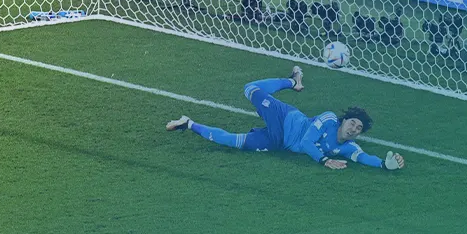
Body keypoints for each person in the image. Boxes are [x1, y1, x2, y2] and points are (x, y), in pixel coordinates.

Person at [166, 67, 404, 171]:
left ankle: (188, 123)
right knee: (250, 88)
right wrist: (323, 161)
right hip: (286, 118)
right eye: (352, 122)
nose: (354, 128)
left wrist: (384, 165)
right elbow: (308, 142)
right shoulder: (329, 118)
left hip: (277, 142)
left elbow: (362, 157)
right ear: (344, 120)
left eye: (358, 128)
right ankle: (293, 81)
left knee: (233, 142)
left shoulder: (347, 147)